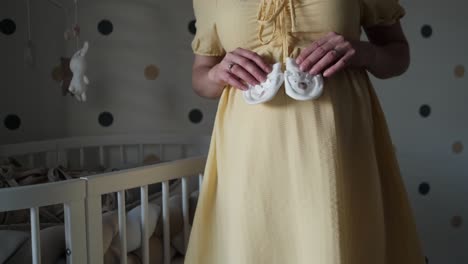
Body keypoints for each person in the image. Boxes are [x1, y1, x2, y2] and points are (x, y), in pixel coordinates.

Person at [185, 0, 426, 263]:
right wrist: (218, 73)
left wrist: (364, 53)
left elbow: (398, 55)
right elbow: (201, 76)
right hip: (250, 153)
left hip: (334, 149)